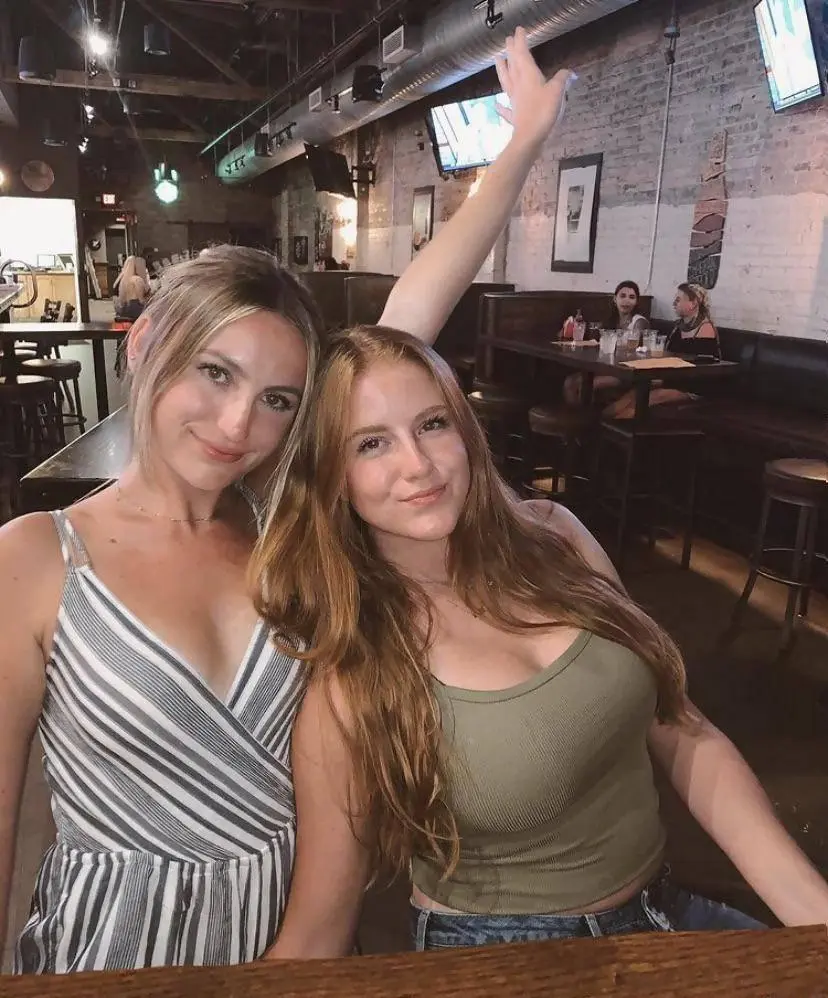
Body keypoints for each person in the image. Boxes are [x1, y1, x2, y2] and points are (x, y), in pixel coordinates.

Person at [0, 27, 574, 974]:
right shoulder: (33, 557)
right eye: (214, 372)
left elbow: (406, 324)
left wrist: (520, 149)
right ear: (144, 346)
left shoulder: (291, 525)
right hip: (109, 946)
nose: (238, 424)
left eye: (277, 400)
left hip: (294, 933)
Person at [253, 325, 828, 959]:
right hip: (500, 954)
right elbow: (317, 930)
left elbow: (682, 727)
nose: (417, 464)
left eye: (432, 424)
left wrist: (813, 912)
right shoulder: (354, 672)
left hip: (664, 910)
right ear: (332, 476)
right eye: (371, 443)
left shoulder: (557, 536)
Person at [604, 283, 719, 420]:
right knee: (634, 393)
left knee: (647, 398)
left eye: (678, 299)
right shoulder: (678, 327)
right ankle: (600, 422)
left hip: (694, 387)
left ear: (693, 303)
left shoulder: (705, 328)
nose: (674, 303)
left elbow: (701, 369)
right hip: (674, 379)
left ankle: (614, 427)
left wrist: (663, 379)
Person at [563, 280, 649, 405]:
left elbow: (637, 352)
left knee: (585, 386)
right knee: (569, 382)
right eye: (622, 296)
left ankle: (586, 416)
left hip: (625, 373)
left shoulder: (639, 322)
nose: (626, 301)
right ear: (615, 299)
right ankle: (574, 416)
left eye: (632, 297)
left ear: (636, 302)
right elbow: (598, 343)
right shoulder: (611, 320)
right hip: (607, 367)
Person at [112, 255, 152, 320]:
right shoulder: (137, 279)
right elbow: (141, 300)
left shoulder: (121, 281)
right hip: (134, 309)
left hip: (123, 309)